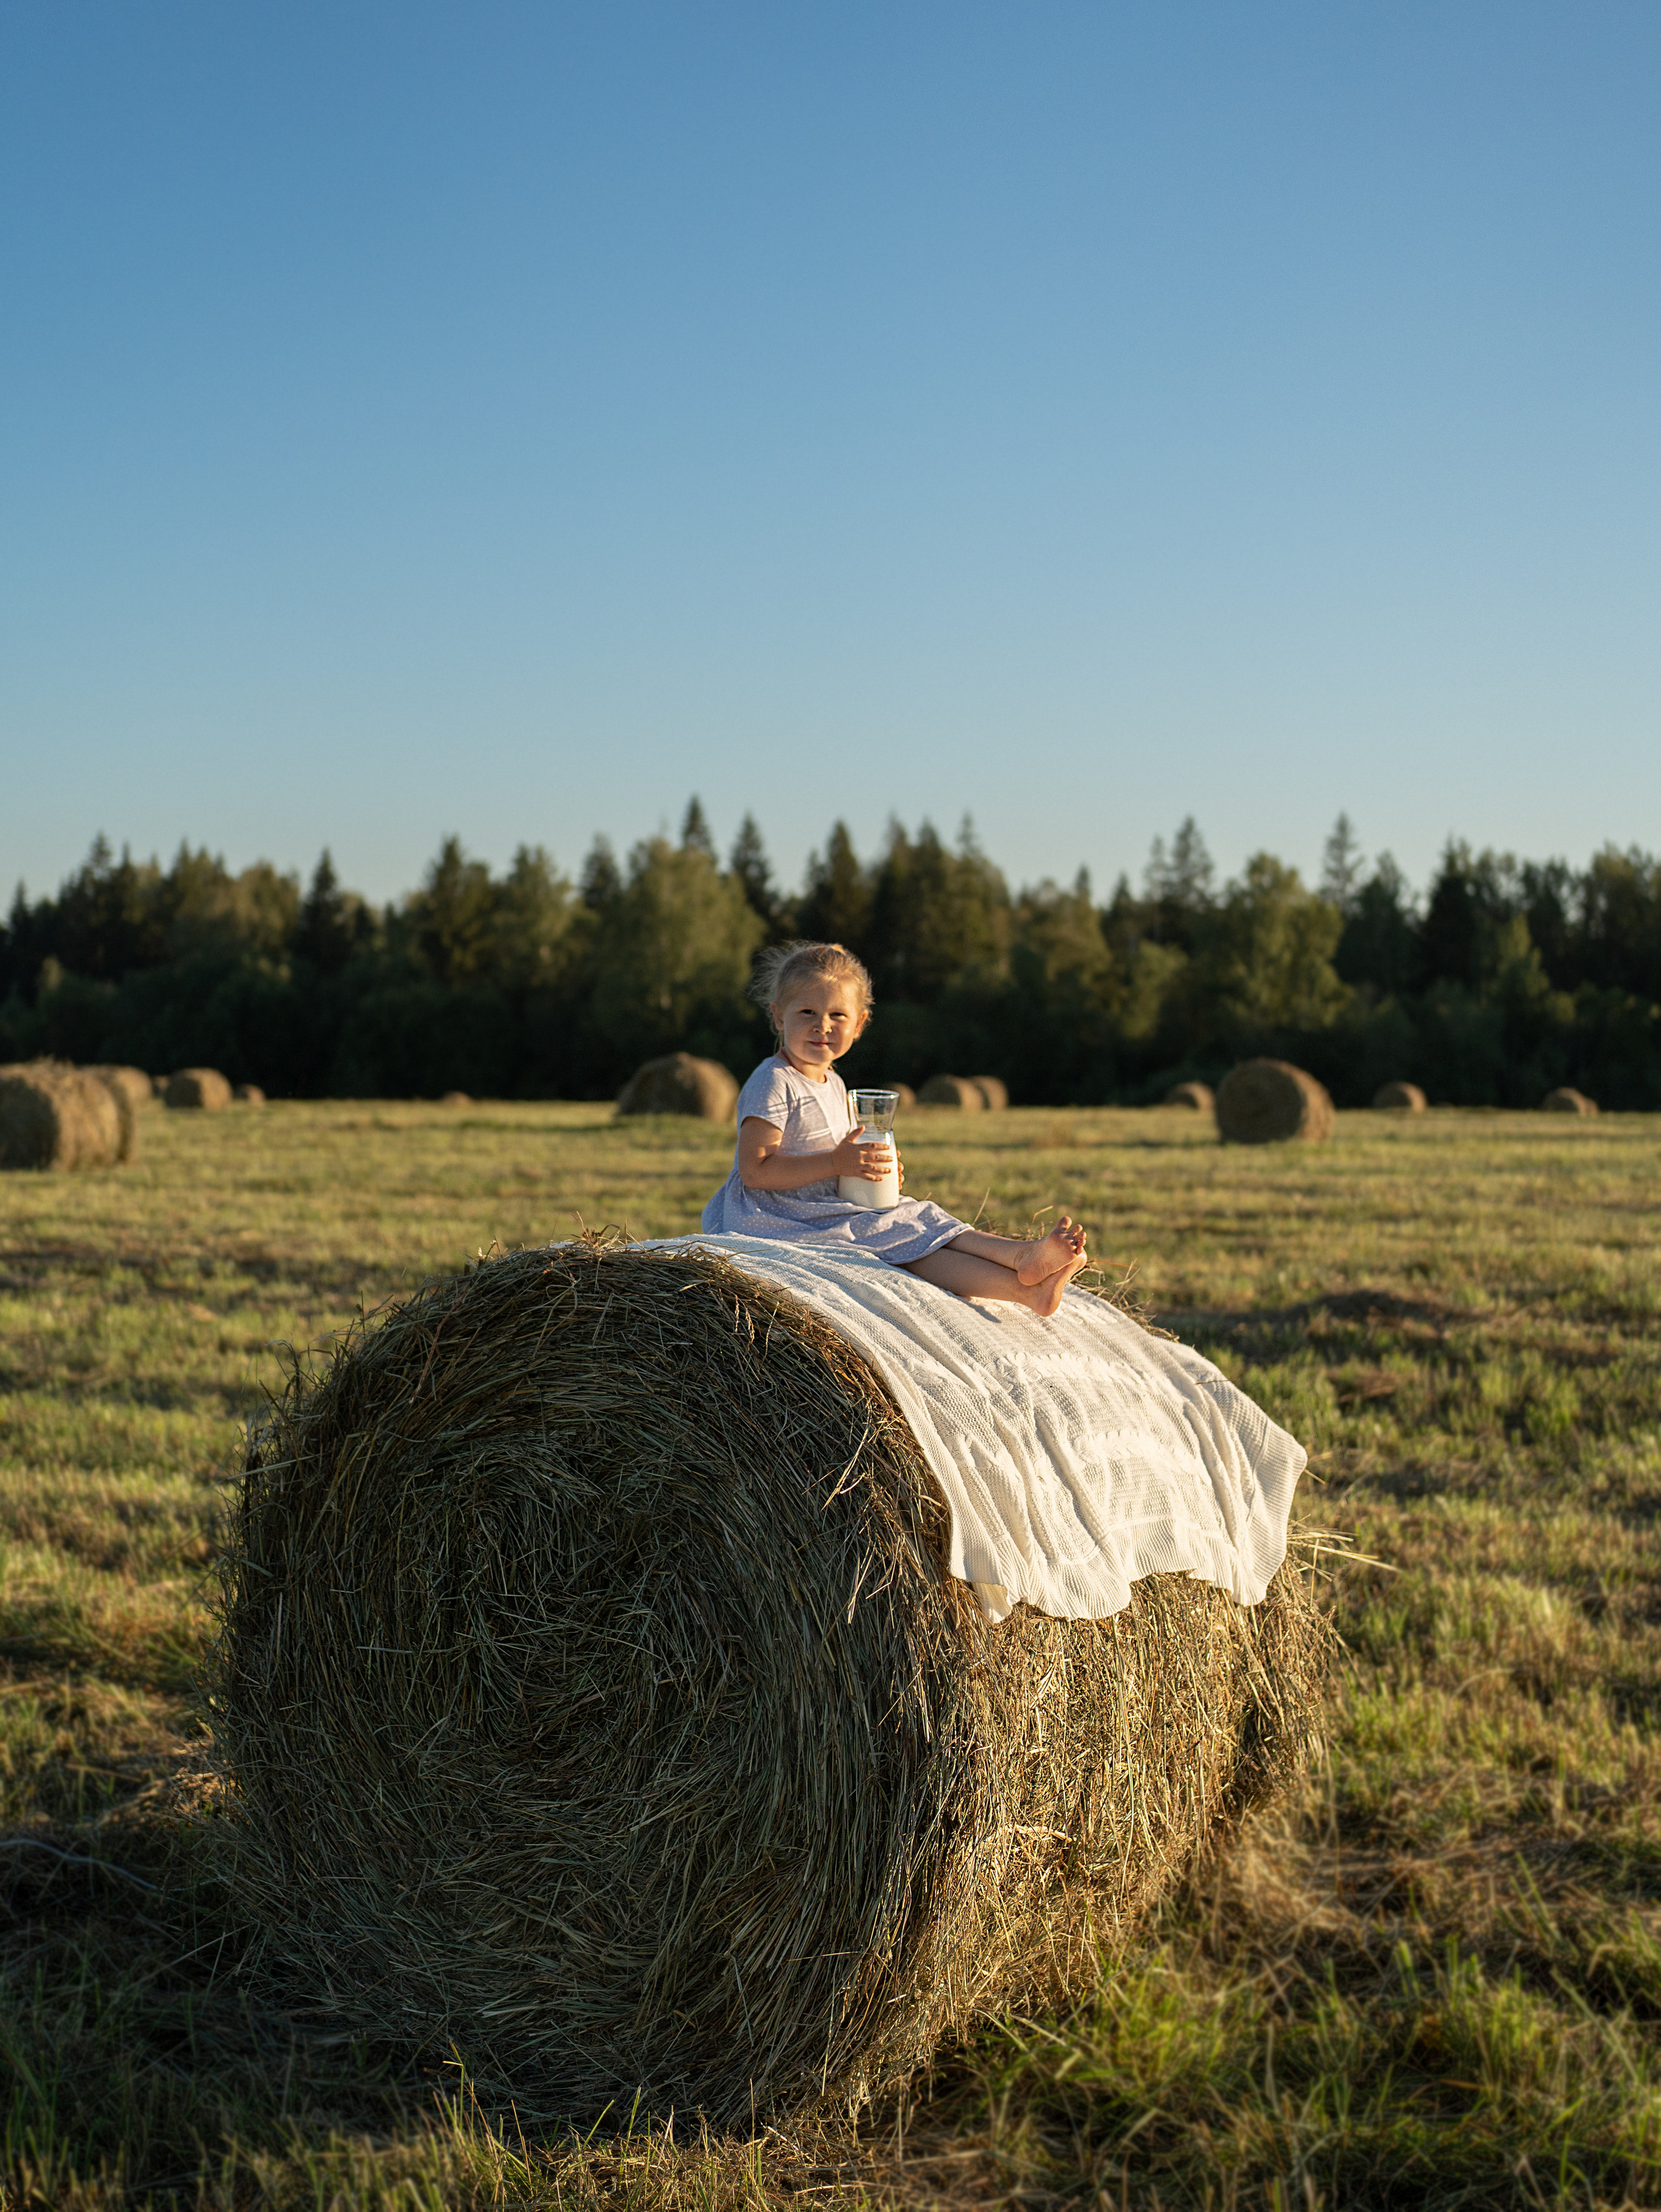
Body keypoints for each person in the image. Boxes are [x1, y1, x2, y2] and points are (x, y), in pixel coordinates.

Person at [701, 941, 1089, 1316]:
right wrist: (838, 1162)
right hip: (778, 1216)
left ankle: (1027, 1272)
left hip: (820, 1204)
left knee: (918, 1220)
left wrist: (873, 1172)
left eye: (838, 1015)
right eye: (806, 1012)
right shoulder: (774, 1082)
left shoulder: (834, 1083)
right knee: (903, 1238)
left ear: (859, 1024)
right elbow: (755, 1172)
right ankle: (1022, 1276)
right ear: (777, 1016)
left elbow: (841, 1158)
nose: (823, 1026)